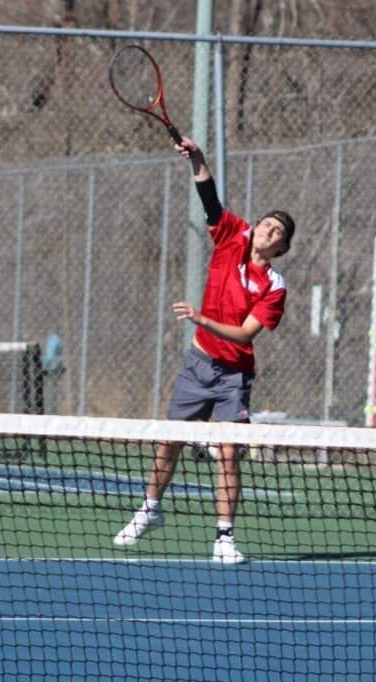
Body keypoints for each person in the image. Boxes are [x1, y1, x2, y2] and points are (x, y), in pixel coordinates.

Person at [113, 136, 295, 564]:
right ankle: (149, 510)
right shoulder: (232, 235)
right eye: (266, 223)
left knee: (228, 454)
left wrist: (202, 319)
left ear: (282, 248)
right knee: (170, 442)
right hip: (197, 366)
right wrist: (197, 158)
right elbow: (208, 195)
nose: (267, 230)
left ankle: (224, 539)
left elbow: (245, 334)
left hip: (233, 377)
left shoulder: (275, 286)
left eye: (277, 232)